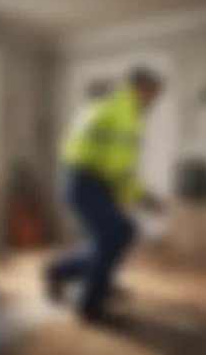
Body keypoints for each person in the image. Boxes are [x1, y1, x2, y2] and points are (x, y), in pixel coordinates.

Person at [46, 66, 166, 323]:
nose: (154, 103)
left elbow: (115, 169)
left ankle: (64, 271)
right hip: (87, 182)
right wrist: (145, 198)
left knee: (118, 233)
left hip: (84, 180)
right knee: (115, 233)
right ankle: (90, 304)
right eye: (154, 95)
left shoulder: (112, 103)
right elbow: (119, 170)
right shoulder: (125, 112)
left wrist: (139, 197)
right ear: (142, 88)